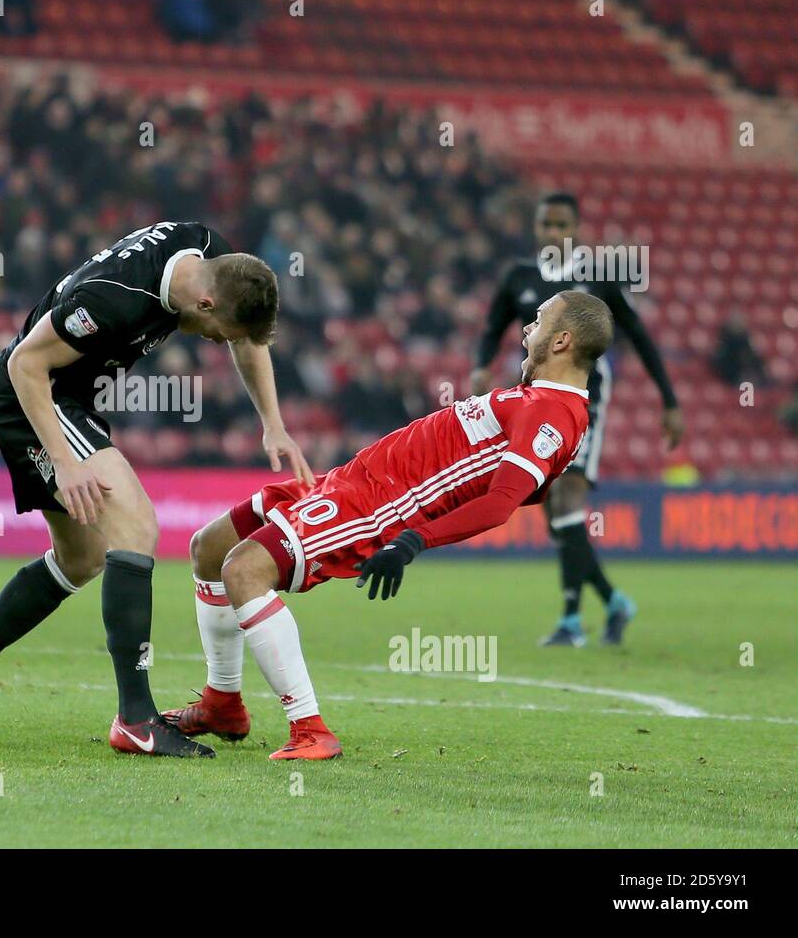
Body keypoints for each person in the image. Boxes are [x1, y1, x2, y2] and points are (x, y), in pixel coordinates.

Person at [0, 220, 313, 758]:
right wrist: (62, 461)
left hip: (71, 399)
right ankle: (136, 719)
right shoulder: (111, 300)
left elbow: (245, 335)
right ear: (204, 303)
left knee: (81, 556)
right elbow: (24, 363)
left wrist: (273, 423)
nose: (220, 344)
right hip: (32, 396)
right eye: (220, 332)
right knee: (136, 527)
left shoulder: (209, 254)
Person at [166, 291, 613, 759]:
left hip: (377, 506)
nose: (527, 329)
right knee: (210, 547)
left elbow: (501, 503)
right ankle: (222, 704)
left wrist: (412, 540)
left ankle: (310, 729)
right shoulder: (538, 398)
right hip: (349, 480)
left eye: (538, 321)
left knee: (243, 570)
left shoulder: (555, 414)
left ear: (562, 340)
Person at [470, 192, 682, 647]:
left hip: (587, 402)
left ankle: (570, 621)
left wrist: (669, 400)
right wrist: (480, 366)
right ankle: (612, 601)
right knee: (554, 512)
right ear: (536, 227)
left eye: (561, 225)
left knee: (565, 501)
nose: (552, 233)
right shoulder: (519, 278)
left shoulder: (599, 278)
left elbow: (639, 335)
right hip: (533, 403)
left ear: (576, 229)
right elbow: (492, 328)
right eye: (545, 224)